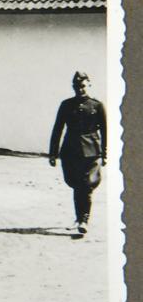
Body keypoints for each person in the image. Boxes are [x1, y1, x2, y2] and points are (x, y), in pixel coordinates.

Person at [49, 71, 107, 234]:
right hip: (70, 151)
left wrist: (105, 153)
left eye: (82, 86)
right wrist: (53, 153)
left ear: (89, 85)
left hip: (91, 151)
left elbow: (104, 130)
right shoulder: (66, 105)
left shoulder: (97, 105)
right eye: (76, 86)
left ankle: (84, 220)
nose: (79, 89)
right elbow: (58, 129)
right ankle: (79, 218)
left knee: (86, 185)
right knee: (75, 183)